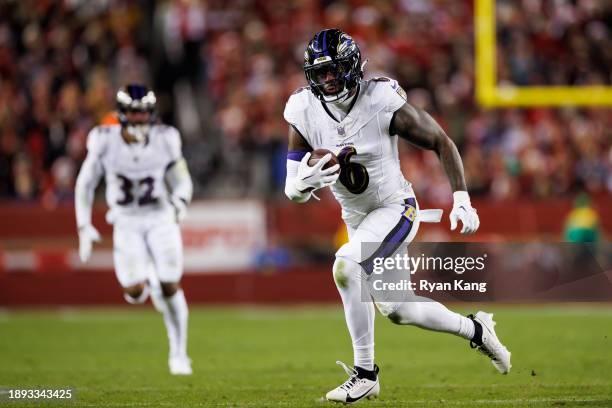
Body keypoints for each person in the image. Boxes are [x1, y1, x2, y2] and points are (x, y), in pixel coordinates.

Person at [283, 29, 511, 403]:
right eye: (320, 72)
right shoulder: (303, 110)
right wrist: (304, 182)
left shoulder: (380, 100)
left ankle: (366, 373)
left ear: (353, 67)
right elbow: (292, 190)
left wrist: (462, 198)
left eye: (334, 70)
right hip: (356, 216)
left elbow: (442, 141)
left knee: (345, 266)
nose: (326, 79)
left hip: (395, 207)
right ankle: (477, 330)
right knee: (399, 308)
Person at [75, 84, 194, 375]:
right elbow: (86, 183)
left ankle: (179, 354)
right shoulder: (104, 140)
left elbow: (181, 179)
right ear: (122, 113)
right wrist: (83, 224)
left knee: (169, 285)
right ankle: (148, 280)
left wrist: (180, 200)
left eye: (143, 113)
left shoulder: (165, 138)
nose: (139, 118)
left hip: (159, 216)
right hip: (126, 219)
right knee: (134, 292)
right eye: (133, 112)